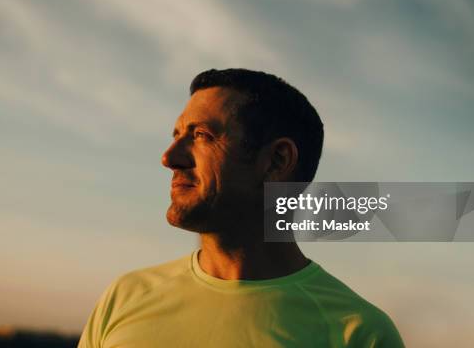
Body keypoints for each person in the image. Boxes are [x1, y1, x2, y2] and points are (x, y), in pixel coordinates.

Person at [78, 69, 404, 347]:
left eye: (202, 135)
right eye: (177, 135)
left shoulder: (360, 334)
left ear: (277, 161)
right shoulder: (125, 296)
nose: (169, 157)